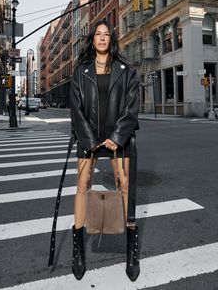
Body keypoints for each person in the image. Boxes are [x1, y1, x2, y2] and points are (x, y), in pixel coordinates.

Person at [70, 19, 140, 281]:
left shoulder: (126, 70)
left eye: (106, 34)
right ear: (93, 39)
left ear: (111, 39)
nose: (101, 38)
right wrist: (88, 140)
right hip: (88, 137)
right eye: (97, 34)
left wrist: (117, 136)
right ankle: (78, 248)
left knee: (124, 186)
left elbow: (132, 107)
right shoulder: (81, 71)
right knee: (82, 185)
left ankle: (131, 249)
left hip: (117, 138)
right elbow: (76, 110)